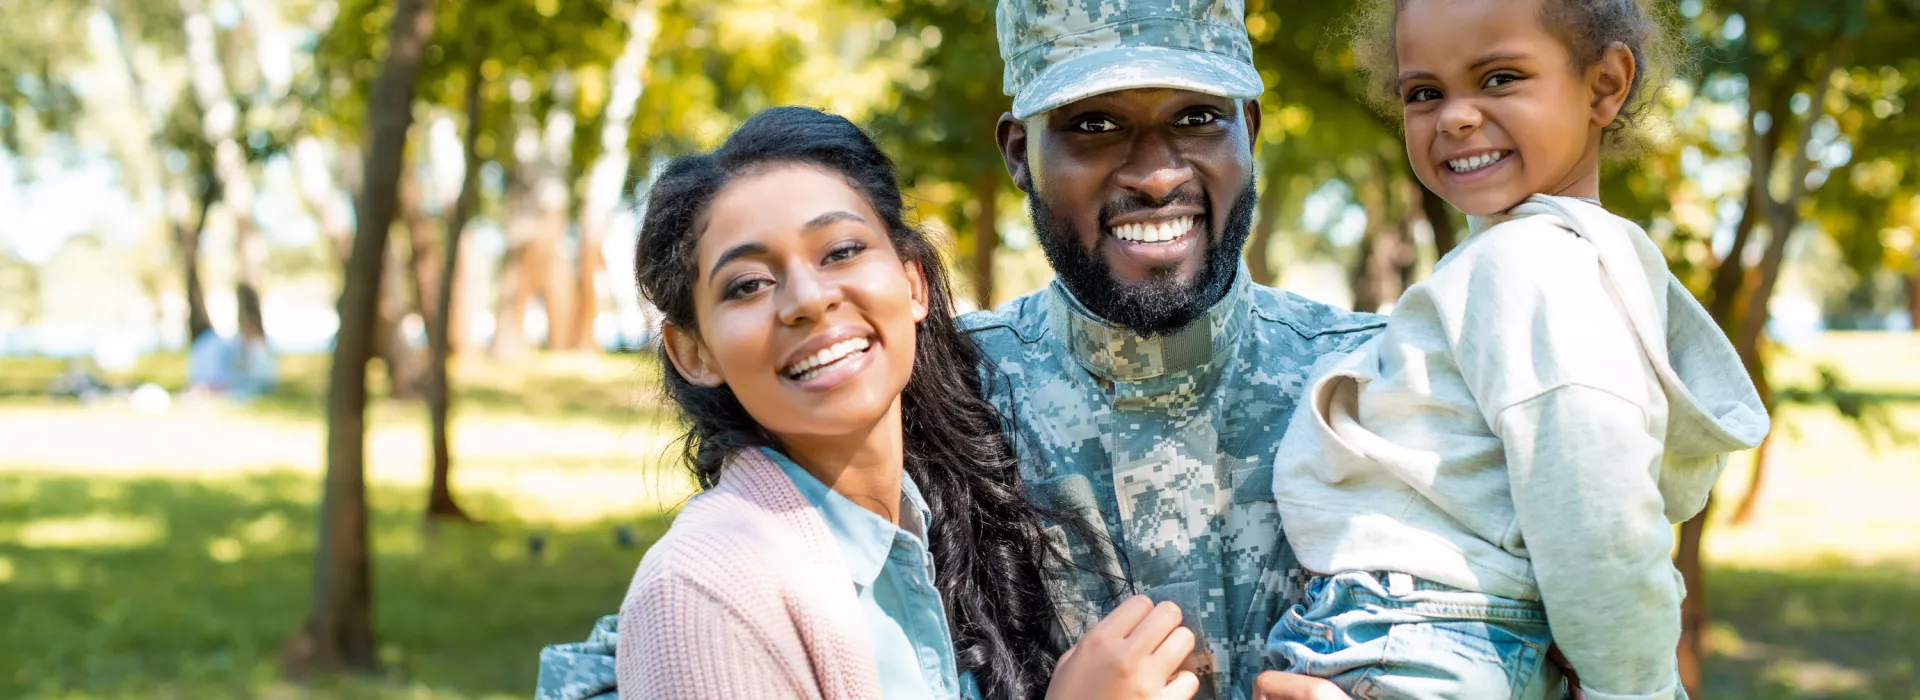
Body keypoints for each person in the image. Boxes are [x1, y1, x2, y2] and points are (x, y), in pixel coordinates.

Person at [539, 107, 1205, 700]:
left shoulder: (937, 529)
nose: (807, 299)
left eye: (842, 251)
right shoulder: (704, 594)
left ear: (913, 284)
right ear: (693, 352)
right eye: (746, 285)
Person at [1261, 0, 1770, 698]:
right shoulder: (1559, 261)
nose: (1456, 116)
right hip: (1447, 640)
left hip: (1422, 638)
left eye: (1499, 77)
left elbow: (1599, 518)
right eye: (1424, 93)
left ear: (1604, 84)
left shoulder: (1528, 264)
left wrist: (1638, 689)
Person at [969, 1, 1386, 698]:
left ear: (1248, 130)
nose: (1158, 176)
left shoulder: (1375, 384)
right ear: (1019, 153)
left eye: (1196, 117)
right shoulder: (944, 404)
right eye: (1094, 125)